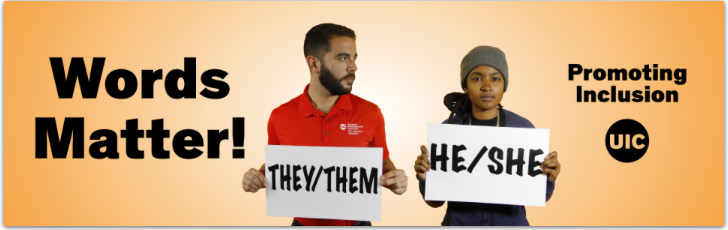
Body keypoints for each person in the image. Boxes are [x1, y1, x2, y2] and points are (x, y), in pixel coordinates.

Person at [241, 23, 408, 226]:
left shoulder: (371, 113)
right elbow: (278, 165)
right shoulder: (280, 116)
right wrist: (258, 177)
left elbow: (382, 162)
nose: (353, 66)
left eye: (354, 58)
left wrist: (395, 178)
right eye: (343, 57)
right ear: (314, 65)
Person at [413, 46, 561, 226]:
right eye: (476, 78)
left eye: (495, 78)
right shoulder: (449, 131)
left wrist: (548, 178)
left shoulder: (524, 130)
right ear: (465, 86)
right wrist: (424, 177)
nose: (487, 86)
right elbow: (435, 202)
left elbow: (541, 196)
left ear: (504, 85)